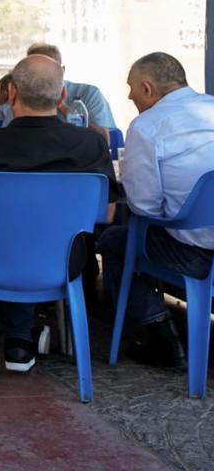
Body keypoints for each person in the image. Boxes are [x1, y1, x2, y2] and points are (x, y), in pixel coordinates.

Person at [0, 54, 118, 372]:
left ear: (12, 94)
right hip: (65, 261)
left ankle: (20, 336)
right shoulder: (91, 145)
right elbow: (107, 214)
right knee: (29, 240)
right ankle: (22, 336)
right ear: (62, 97)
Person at [97, 52, 214, 368]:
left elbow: (143, 206)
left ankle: (158, 333)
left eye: (131, 88)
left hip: (195, 251)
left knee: (113, 241)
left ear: (148, 88)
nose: (129, 95)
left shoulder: (147, 126)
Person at [26, 42, 117, 131]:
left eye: (49, 69)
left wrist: (64, 109)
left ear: (62, 70)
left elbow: (105, 139)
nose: (43, 75)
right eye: (35, 70)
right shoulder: (20, 100)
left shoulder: (90, 93)